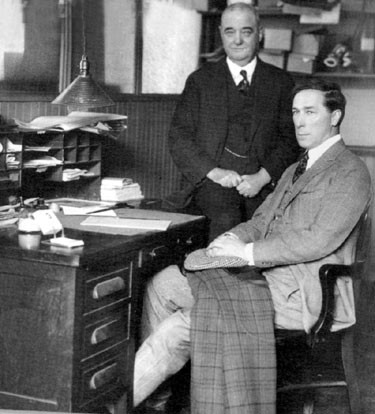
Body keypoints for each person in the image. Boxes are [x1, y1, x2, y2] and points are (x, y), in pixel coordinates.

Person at [134, 79, 372, 414]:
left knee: (179, 327)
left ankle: (115, 407)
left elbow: (318, 240)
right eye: (295, 112)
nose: (299, 121)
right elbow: (260, 222)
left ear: (334, 117)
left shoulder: (351, 171)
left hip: (303, 293)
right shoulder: (295, 169)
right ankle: (155, 403)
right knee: (162, 285)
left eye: (309, 112)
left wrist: (246, 253)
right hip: (263, 278)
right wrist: (229, 240)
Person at [167, 2, 300, 241]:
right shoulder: (200, 81)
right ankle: (218, 278)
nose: (237, 40)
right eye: (230, 31)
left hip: (264, 186)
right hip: (210, 185)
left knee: (275, 226)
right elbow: (179, 138)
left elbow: (290, 141)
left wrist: (262, 177)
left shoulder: (280, 83)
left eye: (246, 31)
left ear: (259, 34)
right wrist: (215, 173)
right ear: (221, 34)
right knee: (226, 221)